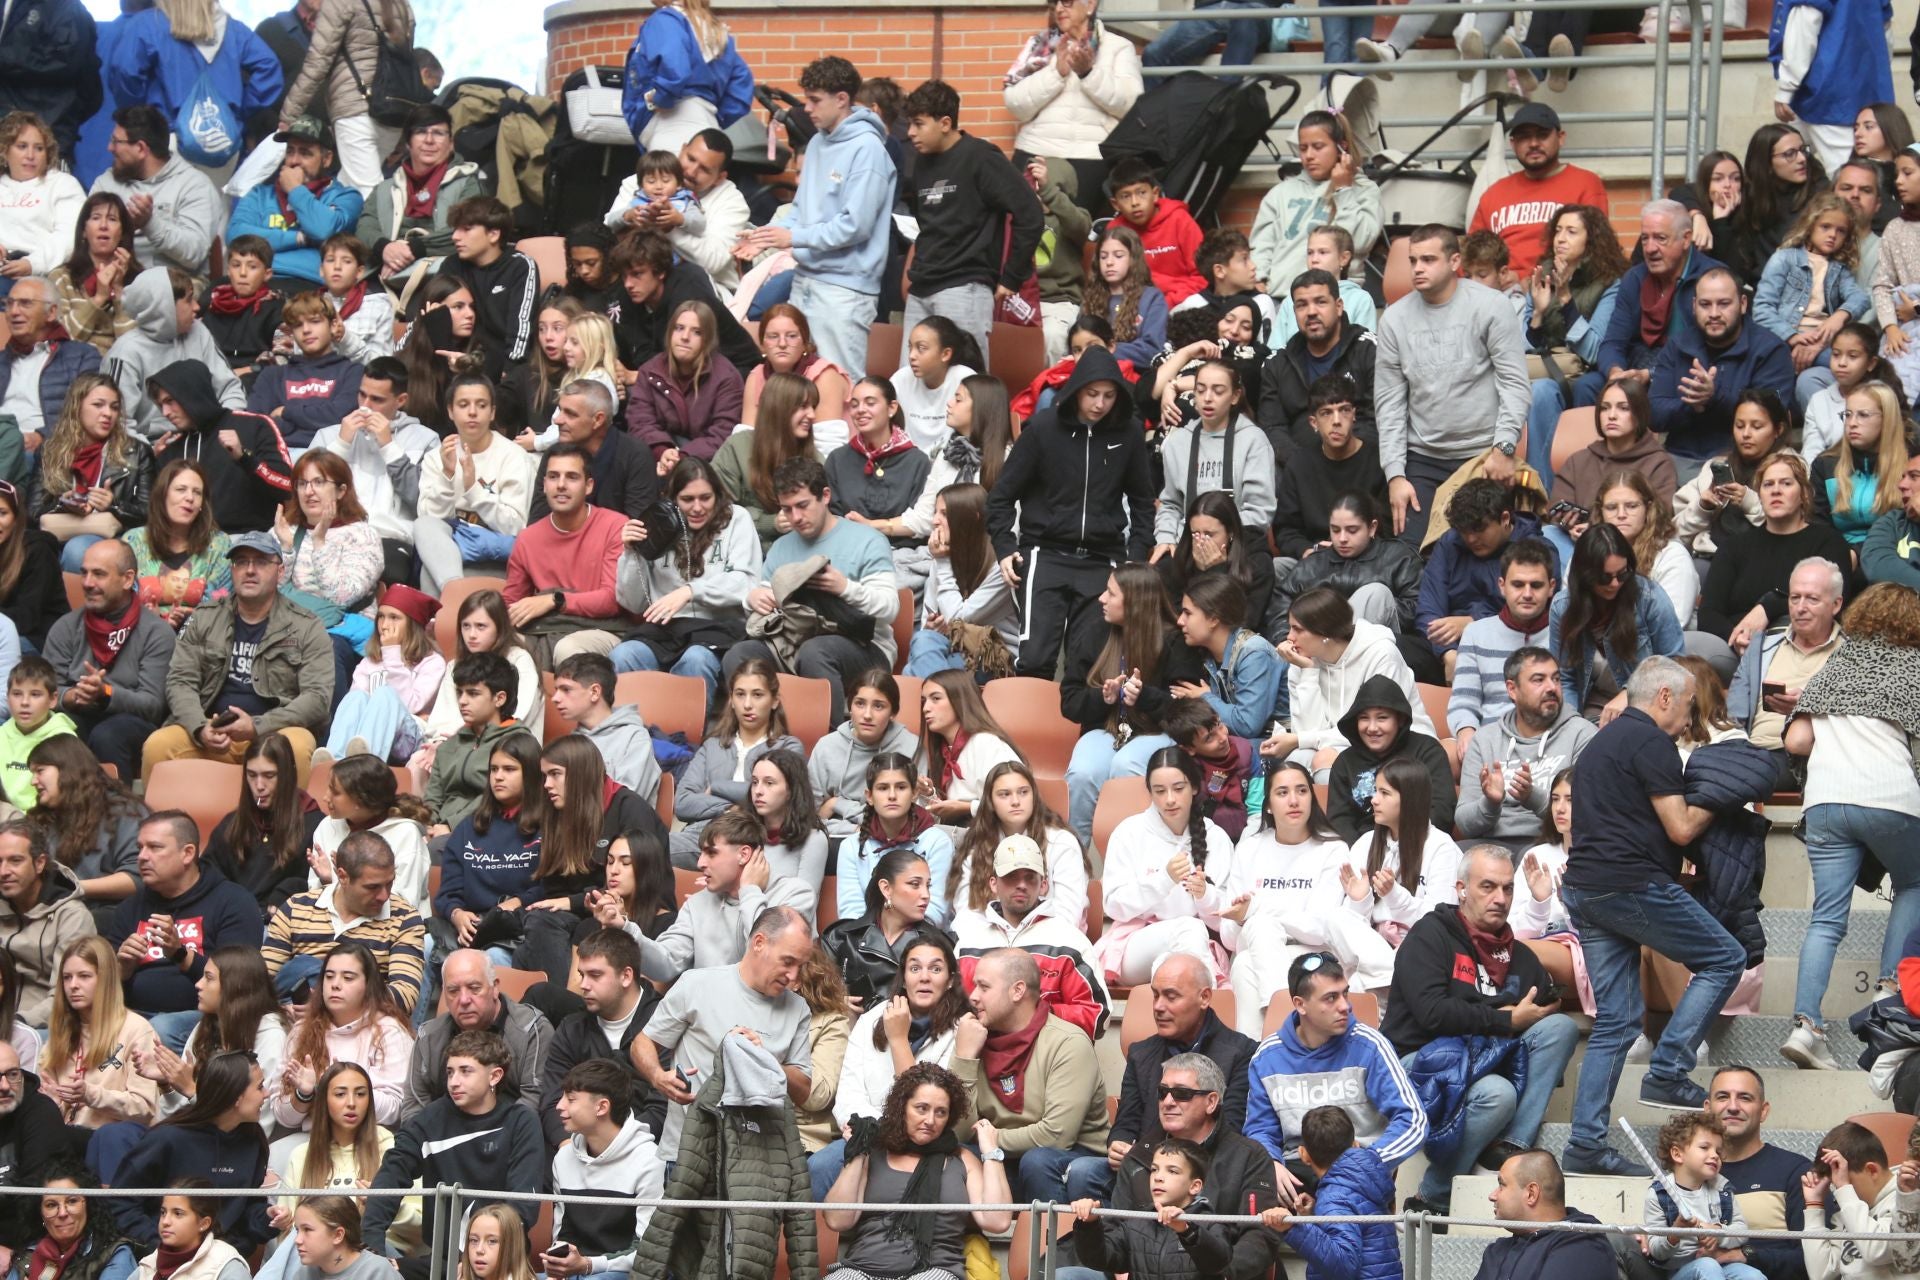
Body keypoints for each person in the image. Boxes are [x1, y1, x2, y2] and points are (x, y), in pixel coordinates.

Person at [1556, 656, 1739, 1175]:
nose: (1689, 718)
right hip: (1630, 884)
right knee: (1725, 957)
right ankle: (1669, 1069)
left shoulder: (1597, 744)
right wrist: (1722, 797)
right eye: (1687, 705)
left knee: (1616, 1022)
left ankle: (1585, 1145)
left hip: (1586, 890)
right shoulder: (1651, 741)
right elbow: (1681, 828)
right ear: (1663, 697)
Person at [1382, 843, 1581, 1214]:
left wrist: (1536, 1009)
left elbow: (1543, 1001)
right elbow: (1432, 1013)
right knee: (1497, 1093)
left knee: (1560, 1028)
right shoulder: (1430, 936)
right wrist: (1504, 1018)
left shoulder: (1519, 954)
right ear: (1461, 889)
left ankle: (1511, 1145)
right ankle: (1433, 1196)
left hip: (1477, 1060)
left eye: (1507, 888)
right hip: (1420, 1062)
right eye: (1487, 886)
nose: (1500, 898)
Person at [1778, 581, 1920, 1069]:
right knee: (1914, 884)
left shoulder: (1836, 664)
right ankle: (1888, 994)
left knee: (1826, 918)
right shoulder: (1914, 668)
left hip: (1825, 802)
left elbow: (1796, 742)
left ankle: (1806, 1028)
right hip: (1890, 799)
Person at [736, 59, 894, 375]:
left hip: (845, 290)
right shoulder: (818, 142)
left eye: (815, 100)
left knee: (841, 381)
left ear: (842, 99)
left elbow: (856, 226)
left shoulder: (868, 148)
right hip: (805, 279)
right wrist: (764, 236)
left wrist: (792, 238)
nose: (806, 108)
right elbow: (799, 212)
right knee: (799, 379)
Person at [1374, 226, 1529, 544]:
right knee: (1409, 556)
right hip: (1422, 458)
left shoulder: (1491, 306)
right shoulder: (1393, 319)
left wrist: (1503, 448)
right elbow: (1389, 403)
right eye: (1413, 260)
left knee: (1482, 548)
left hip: (1482, 455)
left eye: (1428, 259)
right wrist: (1395, 475)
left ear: (1455, 261)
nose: (1417, 268)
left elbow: (1514, 383)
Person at [628, 905, 814, 1165]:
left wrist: (766, 1059)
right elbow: (643, 1042)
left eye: (800, 966)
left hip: (755, 1164)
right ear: (759, 943)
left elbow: (803, 1091)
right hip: (687, 1155)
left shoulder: (798, 1008)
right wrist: (658, 1077)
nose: (793, 976)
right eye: (788, 961)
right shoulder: (697, 984)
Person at [141, 531, 330, 780]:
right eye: (241, 562)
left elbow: (317, 698)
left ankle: (295, 809)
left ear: (280, 572)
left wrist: (258, 726)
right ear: (232, 570)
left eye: (261, 562)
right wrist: (200, 727)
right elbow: (180, 681)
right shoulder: (204, 617)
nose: (250, 570)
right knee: (158, 745)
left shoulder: (307, 626)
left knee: (298, 745)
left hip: (275, 733)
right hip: (212, 731)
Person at [361, 1030, 546, 1278]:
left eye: (465, 1071)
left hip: (500, 1262)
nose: (453, 1082)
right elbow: (392, 1173)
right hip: (440, 1260)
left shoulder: (521, 1121)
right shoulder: (430, 1119)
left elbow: (522, 1207)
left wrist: (474, 1261)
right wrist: (372, 1247)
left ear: (495, 1076)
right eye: (450, 1072)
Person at [1245, 952, 1427, 1196]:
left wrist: (1371, 1161)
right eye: (1331, 998)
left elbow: (1413, 1119)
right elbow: (1260, 1129)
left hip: (1357, 1168)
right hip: (1294, 1172)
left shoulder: (1370, 1045)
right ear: (1300, 1004)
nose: (1345, 1006)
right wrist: (1270, 1163)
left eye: (1345, 993)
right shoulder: (1267, 1057)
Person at [899, 79, 1043, 365]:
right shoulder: (922, 162)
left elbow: (1030, 213)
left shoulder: (981, 157)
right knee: (910, 378)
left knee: (965, 379)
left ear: (945, 123)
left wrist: (1012, 276)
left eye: (918, 124)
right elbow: (926, 224)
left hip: (965, 287)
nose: (910, 133)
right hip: (922, 287)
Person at [949, 946, 1109, 1203]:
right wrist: (965, 1059)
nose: (974, 996)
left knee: (1037, 1161)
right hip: (1002, 1158)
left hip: (1066, 1160)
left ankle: (1052, 1232)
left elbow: (1056, 1136)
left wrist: (990, 1139)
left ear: (1018, 991)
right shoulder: (973, 1038)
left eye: (984, 987)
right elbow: (957, 1132)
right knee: (952, 1157)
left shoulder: (1067, 1042)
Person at [102, 808, 262, 1050]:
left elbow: (237, 983)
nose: (142, 857)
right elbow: (105, 988)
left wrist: (179, 953)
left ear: (187, 853)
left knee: (160, 1028)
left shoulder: (233, 902)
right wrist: (122, 968)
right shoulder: (130, 907)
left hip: (205, 1019)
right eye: (140, 847)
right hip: (133, 1015)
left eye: (154, 847)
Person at [41, 540, 176, 784]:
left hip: (132, 724)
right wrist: (70, 696)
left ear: (127, 579)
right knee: (59, 729)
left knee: (109, 734)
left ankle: (117, 807)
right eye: (84, 573)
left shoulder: (156, 632)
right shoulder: (66, 627)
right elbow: (45, 690)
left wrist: (105, 693)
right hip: (78, 714)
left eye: (99, 574)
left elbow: (153, 706)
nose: (87, 583)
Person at [1094, 748, 1232, 987]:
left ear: (1194, 787)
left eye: (1178, 788)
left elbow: (1226, 919)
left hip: (1193, 943)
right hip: (1133, 944)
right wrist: (1164, 880)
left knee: (1177, 957)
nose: (1169, 799)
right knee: (1188, 929)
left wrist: (1205, 895)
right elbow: (1114, 906)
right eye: (1160, 791)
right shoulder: (1129, 832)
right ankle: (1210, 1000)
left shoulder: (1216, 837)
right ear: (1150, 792)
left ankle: (1194, 1001)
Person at [262, 830, 425, 1016]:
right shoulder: (296, 908)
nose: (384, 895)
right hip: (293, 1018)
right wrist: (284, 1011)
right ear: (343, 876)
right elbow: (262, 983)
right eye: (372, 887)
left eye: (389, 883)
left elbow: (405, 997)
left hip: (365, 1023)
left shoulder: (404, 918)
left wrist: (328, 1005)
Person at [1699, 452, 1854, 647]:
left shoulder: (1828, 542)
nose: (1776, 491)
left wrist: (1768, 607)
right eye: (1768, 485)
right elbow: (1709, 613)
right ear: (1759, 495)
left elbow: (1831, 603)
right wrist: (1738, 638)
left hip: (1801, 642)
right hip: (1736, 645)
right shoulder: (1734, 547)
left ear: (1804, 494)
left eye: (1786, 483)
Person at [1522, 203, 1632, 475]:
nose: (1561, 238)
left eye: (1571, 232)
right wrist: (1538, 314)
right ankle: (1535, 486)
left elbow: (1596, 350)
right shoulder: (1542, 275)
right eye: (1558, 230)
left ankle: (1569, 480)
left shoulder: (1609, 281)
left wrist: (1566, 300)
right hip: (1546, 368)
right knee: (1537, 390)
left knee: (1564, 389)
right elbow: (1523, 347)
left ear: (1590, 239)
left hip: (1585, 372)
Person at [1649, 268, 1800, 462]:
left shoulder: (1770, 350)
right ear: (1694, 306)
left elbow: (1770, 417)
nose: (1714, 313)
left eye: (1724, 304)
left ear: (1743, 304)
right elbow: (1655, 415)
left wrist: (1714, 397)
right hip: (1680, 456)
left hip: (1744, 462)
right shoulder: (1678, 346)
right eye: (1705, 304)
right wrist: (1693, 406)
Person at [536, 927, 665, 1150]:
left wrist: (612, 1149)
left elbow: (663, 1106)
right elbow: (553, 1100)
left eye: (595, 975)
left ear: (626, 976)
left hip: (646, 1149)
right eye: (581, 975)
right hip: (580, 1147)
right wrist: (568, 1148)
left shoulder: (665, 1022)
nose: (583, 985)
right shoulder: (572, 1028)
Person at [1455, 647, 1594, 851]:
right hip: (1491, 846)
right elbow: (1464, 824)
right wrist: (1490, 803)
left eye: (1556, 679)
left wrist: (1531, 797)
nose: (1551, 687)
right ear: (1512, 689)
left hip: (1552, 843)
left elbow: (1586, 815)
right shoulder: (1484, 740)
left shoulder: (1582, 735)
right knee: (1453, 856)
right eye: (1539, 680)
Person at [274, 0, 418, 197]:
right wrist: (403, 138)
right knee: (344, 190)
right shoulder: (403, 5)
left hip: (355, 108)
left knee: (369, 197)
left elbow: (318, 62)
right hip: (393, 113)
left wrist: (289, 115)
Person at [271, 940, 413, 1137]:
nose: (335, 985)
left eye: (348, 978)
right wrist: (304, 1095)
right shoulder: (302, 1030)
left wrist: (342, 1085)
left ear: (368, 985)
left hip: (369, 1139)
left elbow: (395, 1110)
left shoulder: (388, 1032)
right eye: (329, 977)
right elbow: (282, 1115)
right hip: (313, 1139)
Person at [410, 374, 535, 595]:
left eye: (481, 405)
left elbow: (516, 526)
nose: (472, 412)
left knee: (429, 575)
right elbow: (429, 521)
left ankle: (450, 596)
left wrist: (473, 490)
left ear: (492, 412)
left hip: (495, 555)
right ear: (450, 411)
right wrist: (447, 475)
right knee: (424, 527)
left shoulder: (514, 457)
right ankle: (454, 591)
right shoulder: (436, 457)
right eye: (463, 405)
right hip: (450, 553)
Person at [307, 357, 438, 567]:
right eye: (362, 395)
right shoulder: (329, 435)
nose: (365, 406)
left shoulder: (425, 439)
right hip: (332, 532)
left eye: (377, 399)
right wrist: (340, 445)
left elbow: (425, 503)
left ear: (401, 400)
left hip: (391, 539)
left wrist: (389, 448)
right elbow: (306, 491)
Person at [1548, 523, 1685, 719]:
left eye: (1622, 574)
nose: (1615, 584)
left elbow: (1674, 663)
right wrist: (1571, 723)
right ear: (1585, 575)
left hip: (1651, 701)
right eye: (1605, 578)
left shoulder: (1650, 598)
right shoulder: (1563, 607)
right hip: (1595, 703)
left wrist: (1631, 692)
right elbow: (1566, 678)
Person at [1595, 199, 1723, 404]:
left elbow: (1712, 349)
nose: (1650, 248)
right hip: (1634, 370)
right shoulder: (1634, 279)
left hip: (1687, 372)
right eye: (1645, 239)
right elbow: (1613, 342)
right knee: (1588, 385)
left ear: (1686, 239)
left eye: (1660, 238)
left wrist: (1650, 374)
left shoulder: (1713, 279)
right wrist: (1616, 372)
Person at [1249, 112, 1381, 306]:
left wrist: (1343, 190)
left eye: (1318, 147)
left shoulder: (1364, 190)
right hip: (1283, 299)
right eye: (1303, 148)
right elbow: (1262, 245)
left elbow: (1360, 243)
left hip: (1337, 301)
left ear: (1341, 147)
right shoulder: (1280, 192)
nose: (1309, 155)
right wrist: (1259, 279)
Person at [401, 949, 549, 1120]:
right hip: (443, 1132)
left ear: (495, 988)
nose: (464, 1000)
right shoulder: (428, 1036)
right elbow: (413, 1107)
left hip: (511, 1131)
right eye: (453, 991)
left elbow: (534, 1101)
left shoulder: (531, 1029)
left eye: (474, 988)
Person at [549, 1058, 665, 1275]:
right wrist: (560, 1262)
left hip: (623, 1272)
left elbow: (646, 1252)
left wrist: (589, 1265)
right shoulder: (564, 1158)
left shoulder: (648, 1160)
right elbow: (562, 1235)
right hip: (576, 1271)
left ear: (602, 1107)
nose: (559, 1106)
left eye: (571, 1099)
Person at [1755, 193, 1872, 408]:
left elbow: (1860, 297)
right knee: (1778, 374)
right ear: (1810, 225)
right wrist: (1793, 337)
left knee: (1851, 365)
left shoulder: (1839, 268)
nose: (1832, 235)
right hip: (1784, 339)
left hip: (1823, 341)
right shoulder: (1784, 258)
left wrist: (1839, 316)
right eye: (1825, 227)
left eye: (1841, 231)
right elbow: (1762, 309)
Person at [1467, 105, 1608, 278]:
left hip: (1560, 285)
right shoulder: (1494, 193)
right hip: (1499, 289)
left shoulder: (1585, 183)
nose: (1533, 143)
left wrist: (1532, 281)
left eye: (1542, 135)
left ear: (1561, 138)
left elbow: (1597, 251)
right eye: (1524, 137)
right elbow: (1471, 256)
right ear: (1513, 144)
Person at [108, 271, 248, 445]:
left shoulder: (198, 331)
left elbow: (230, 388)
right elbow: (119, 425)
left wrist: (223, 430)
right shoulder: (125, 352)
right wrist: (148, 453)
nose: (197, 307)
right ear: (164, 308)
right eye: (189, 300)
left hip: (209, 438)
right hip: (154, 446)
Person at [355, 105, 485, 289]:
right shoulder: (385, 189)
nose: (429, 140)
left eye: (438, 133)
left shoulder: (468, 184)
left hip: (447, 279)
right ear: (408, 143)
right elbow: (365, 227)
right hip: (384, 278)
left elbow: (470, 231)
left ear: (451, 143)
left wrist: (414, 249)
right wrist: (385, 248)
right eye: (421, 132)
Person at [226, 120, 366, 291]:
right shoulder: (260, 194)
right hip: (255, 282)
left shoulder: (345, 197)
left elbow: (323, 230)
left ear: (327, 159)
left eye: (305, 153)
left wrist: (295, 189)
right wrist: (300, 238)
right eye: (290, 151)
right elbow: (236, 237)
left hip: (308, 286)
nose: (293, 161)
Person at [40, 933, 160, 1129]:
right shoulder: (59, 1033)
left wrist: (90, 1095)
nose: (73, 985)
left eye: (84, 976)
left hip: (112, 1137)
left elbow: (145, 1108)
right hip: (65, 1137)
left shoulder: (136, 1029)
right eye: (67, 977)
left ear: (105, 979)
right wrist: (55, 1106)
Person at [1705, 1065, 1814, 1280]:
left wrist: (1747, 1255)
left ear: (1763, 1111)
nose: (1733, 1107)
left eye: (1745, 1098)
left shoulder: (1795, 1171)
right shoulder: (1690, 1173)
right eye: (1723, 1097)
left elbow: (1817, 1258)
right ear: (1707, 1109)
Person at [88, 107, 222, 281]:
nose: (110, 148)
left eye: (116, 141)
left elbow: (193, 254)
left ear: (141, 148)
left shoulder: (194, 185)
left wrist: (150, 223)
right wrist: (125, 227)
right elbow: (85, 238)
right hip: (113, 277)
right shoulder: (106, 183)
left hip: (177, 283)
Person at [1258, 271, 1378, 463]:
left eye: (1320, 302)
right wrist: (1306, 468)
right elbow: (1273, 428)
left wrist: (1342, 458)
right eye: (1302, 305)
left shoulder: (1369, 350)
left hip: (1360, 463)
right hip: (1298, 467)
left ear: (1338, 307)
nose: (1311, 312)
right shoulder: (1277, 364)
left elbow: (1378, 419)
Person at [25, 733, 147, 922]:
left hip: (106, 913)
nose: (33, 781)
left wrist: (74, 888)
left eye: (40, 771)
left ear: (67, 770)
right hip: (49, 912)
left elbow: (138, 879)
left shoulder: (124, 812)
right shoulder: (42, 817)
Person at [605, 231, 758, 376]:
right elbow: (640, 350)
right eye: (624, 276)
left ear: (660, 272)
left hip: (733, 371)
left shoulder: (688, 294)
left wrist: (639, 377)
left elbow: (687, 360)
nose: (628, 284)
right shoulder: (628, 295)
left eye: (637, 274)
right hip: (673, 374)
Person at [1324, 674, 1455, 843]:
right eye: (1364, 718)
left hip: (1418, 844)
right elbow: (1339, 820)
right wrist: (1364, 853)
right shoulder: (1345, 762)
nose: (1372, 728)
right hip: (1362, 850)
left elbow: (1441, 810)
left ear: (1400, 719)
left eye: (1382, 718)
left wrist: (1401, 845)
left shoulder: (1427, 751)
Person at [1277, 490, 1421, 639]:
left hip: (1381, 644)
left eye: (1352, 530)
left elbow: (1417, 607)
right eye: (1335, 530)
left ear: (1372, 527)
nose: (1342, 538)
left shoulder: (1399, 558)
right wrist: (1283, 639)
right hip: (1315, 647)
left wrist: (1366, 609)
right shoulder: (1313, 564)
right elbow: (1280, 602)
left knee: (1376, 594)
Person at [626, 300, 745, 475]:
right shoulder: (651, 370)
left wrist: (683, 457)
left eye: (697, 332)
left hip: (709, 465)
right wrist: (662, 450)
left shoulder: (726, 377)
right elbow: (640, 420)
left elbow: (724, 431)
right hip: (658, 457)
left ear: (708, 339)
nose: (685, 337)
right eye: (679, 328)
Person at [1642, 1111, 1765, 1280]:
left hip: (1719, 1264)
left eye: (1718, 1151)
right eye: (1704, 1147)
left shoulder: (1722, 1190)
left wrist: (1716, 1232)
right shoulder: (1659, 1194)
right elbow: (1656, 1251)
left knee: (1753, 1275)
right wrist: (1675, 1232)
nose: (1715, 1155)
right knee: (1707, 1266)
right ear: (1677, 1154)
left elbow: (1741, 1232)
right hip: (1678, 1271)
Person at [619, 0, 752, 154]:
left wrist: (658, 99)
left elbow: (675, 69)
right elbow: (741, 87)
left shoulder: (665, 20)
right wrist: (712, 116)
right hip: (707, 127)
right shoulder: (717, 32)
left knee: (667, 170)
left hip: (669, 126)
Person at [3, 276, 102, 477]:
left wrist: (42, 436)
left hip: (45, 451)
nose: (14, 311)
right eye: (9, 303)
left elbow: (87, 414)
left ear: (51, 312)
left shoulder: (82, 357)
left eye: (25, 303)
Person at [1472, 1149, 1620, 1280]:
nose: (1492, 1196)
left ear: (1531, 1194)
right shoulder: (1496, 1251)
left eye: (1501, 1185)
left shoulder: (1584, 1248)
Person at [0, 817, 91, 1029]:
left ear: (39, 863)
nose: (3, 871)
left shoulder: (72, 917)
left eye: (15, 861)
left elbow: (67, 993)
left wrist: (18, 1024)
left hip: (48, 1027)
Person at [1800, 1121, 1920, 1280]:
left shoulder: (1907, 1200)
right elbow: (1820, 1274)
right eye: (1835, 1184)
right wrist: (1814, 1205)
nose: (1838, 1193)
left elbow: (1876, 1251)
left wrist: (1844, 1189)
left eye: (1845, 1181)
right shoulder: (1849, 1207)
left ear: (1872, 1170)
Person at [1721, 125, 1828, 286]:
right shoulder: (1750, 196)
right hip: (1763, 290)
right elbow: (1688, 191)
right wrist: (1698, 215)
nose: (1802, 159)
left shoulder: (1820, 193)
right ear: (1767, 163)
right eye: (1790, 154)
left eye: (1803, 150)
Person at [736, 306, 851, 453]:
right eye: (773, 336)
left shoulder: (825, 376)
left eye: (791, 336)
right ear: (763, 345)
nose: (782, 344)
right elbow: (745, 439)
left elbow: (828, 448)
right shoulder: (756, 376)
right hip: (773, 459)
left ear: (805, 343)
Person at [3, 1159, 139, 1280]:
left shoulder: (115, 1253)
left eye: (72, 1201)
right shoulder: (27, 1256)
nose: (62, 1213)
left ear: (88, 1205)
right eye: (51, 1205)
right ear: (40, 1213)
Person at [1813, 381, 1909, 548]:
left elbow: (1910, 529)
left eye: (1863, 415)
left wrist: (1859, 552)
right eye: (1848, 414)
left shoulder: (1911, 466)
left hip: (1895, 551)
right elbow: (1818, 526)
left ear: (1887, 419)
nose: (1852, 423)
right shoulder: (1825, 465)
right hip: (1839, 553)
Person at [48, 193, 143, 357]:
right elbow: (59, 338)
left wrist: (119, 292)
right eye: (96, 218)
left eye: (112, 219)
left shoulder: (140, 281)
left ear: (122, 233)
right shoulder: (61, 277)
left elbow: (136, 348)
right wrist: (99, 298)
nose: (103, 226)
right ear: (83, 231)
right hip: (73, 364)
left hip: (120, 365)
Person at [120, 1179, 256, 1272]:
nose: (165, 1221)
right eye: (163, 1212)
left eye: (178, 1213)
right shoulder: (148, 1264)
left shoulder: (226, 1267)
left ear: (204, 1223)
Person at [1, 661, 77, 814]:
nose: (24, 702)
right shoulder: (2, 733)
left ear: (53, 700)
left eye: (35, 694)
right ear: (7, 698)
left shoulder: (63, 740)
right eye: (17, 694)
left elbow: (67, 799)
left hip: (43, 819)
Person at [318, 235, 395, 365]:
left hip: (359, 376)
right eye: (330, 260)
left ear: (359, 271)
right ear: (321, 270)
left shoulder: (378, 306)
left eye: (346, 261)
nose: (337, 266)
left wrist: (345, 339)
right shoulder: (309, 305)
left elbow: (381, 365)